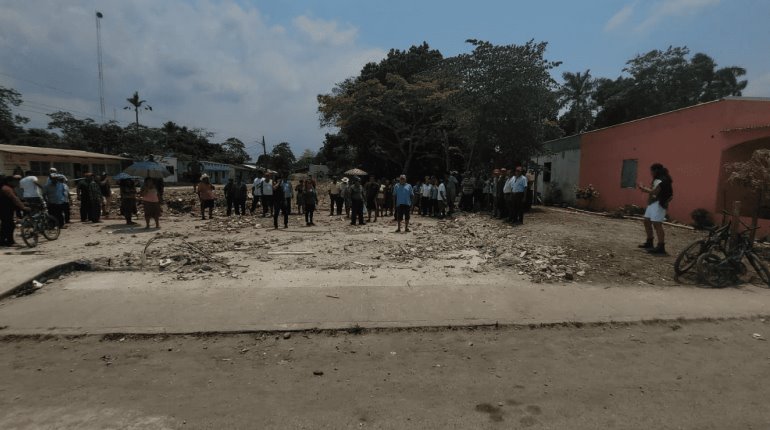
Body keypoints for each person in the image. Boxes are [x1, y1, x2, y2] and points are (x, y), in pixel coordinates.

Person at [638, 163, 674, 255]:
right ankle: (649, 242)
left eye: (651, 171)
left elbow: (655, 192)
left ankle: (661, 246)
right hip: (653, 203)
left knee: (657, 224)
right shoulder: (661, 179)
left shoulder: (661, 180)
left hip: (658, 203)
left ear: (655, 171)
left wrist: (643, 188)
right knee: (646, 221)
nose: (651, 173)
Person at [0, 176, 30, 247]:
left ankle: (4, 241)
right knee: (8, 226)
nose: (17, 182)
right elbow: (14, 198)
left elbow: (16, 198)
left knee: (7, 225)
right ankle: (8, 242)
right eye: (15, 181)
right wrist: (23, 207)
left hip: (6, 210)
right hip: (4, 210)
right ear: (9, 182)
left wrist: (23, 203)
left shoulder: (8, 188)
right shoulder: (6, 189)